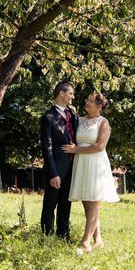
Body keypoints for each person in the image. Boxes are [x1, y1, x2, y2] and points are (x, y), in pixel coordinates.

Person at [62, 91, 119, 253]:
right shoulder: (79, 120)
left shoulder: (104, 123)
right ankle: (98, 240)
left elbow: (100, 146)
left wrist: (76, 149)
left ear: (99, 106)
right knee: (87, 202)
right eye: (86, 100)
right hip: (81, 163)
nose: (86, 103)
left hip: (95, 163)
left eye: (90, 101)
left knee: (93, 202)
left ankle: (85, 242)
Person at [40, 81, 79, 240]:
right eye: (70, 93)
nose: (72, 96)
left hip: (72, 167)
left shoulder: (73, 115)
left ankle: (64, 236)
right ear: (61, 93)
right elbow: (46, 147)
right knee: (50, 204)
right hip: (55, 169)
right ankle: (47, 238)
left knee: (66, 204)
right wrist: (53, 173)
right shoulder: (48, 117)